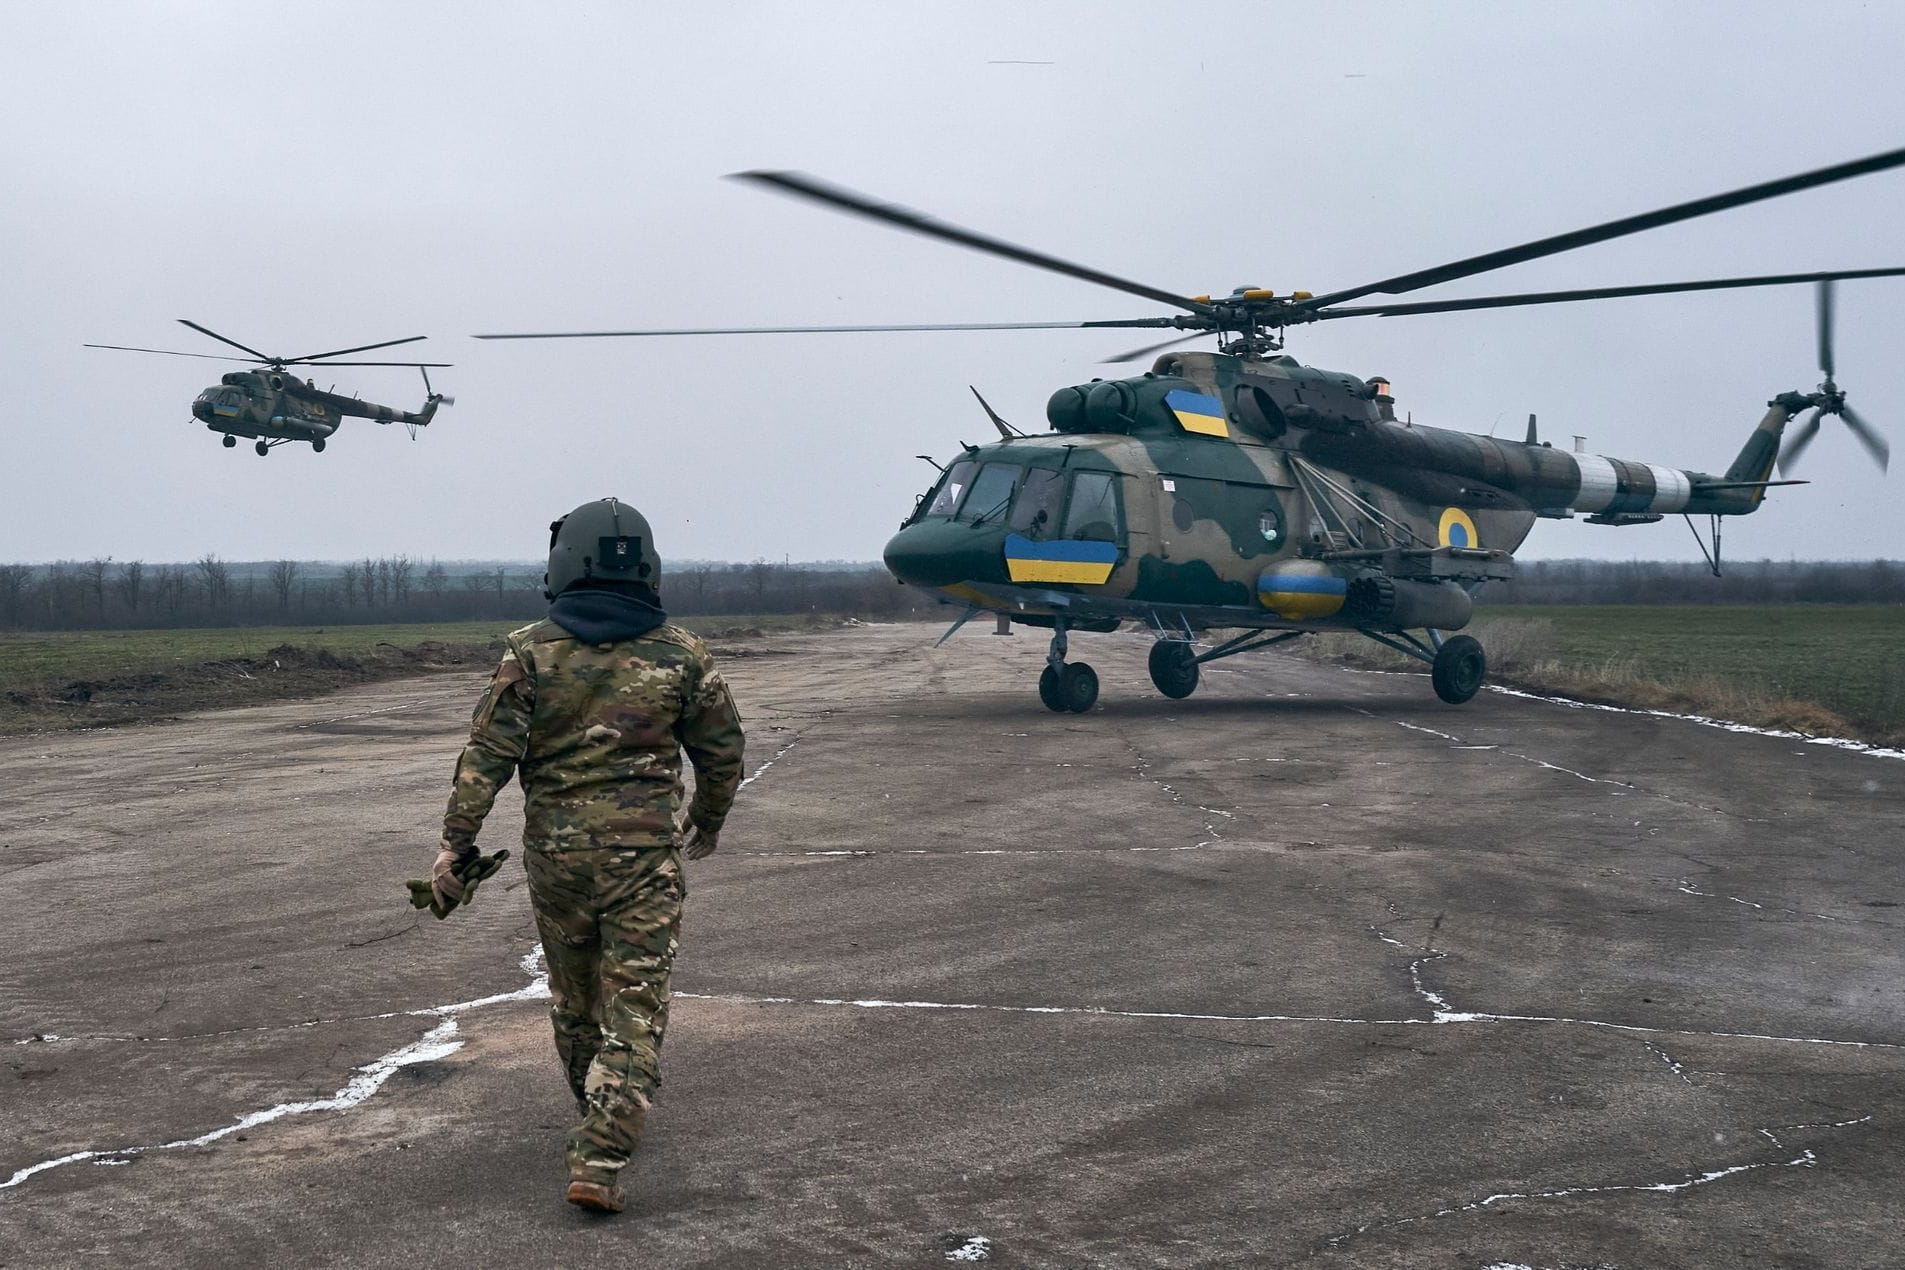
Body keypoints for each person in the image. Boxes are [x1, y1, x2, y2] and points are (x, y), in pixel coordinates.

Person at [430, 497, 745, 1214]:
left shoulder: (529, 652)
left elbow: (486, 755)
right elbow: (723, 752)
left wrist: (456, 844)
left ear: (564, 563)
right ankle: (601, 1153)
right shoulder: (683, 654)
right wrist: (708, 818)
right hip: (642, 865)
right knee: (635, 1006)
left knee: (575, 1001)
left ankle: (596, 1107)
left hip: (559, 863)